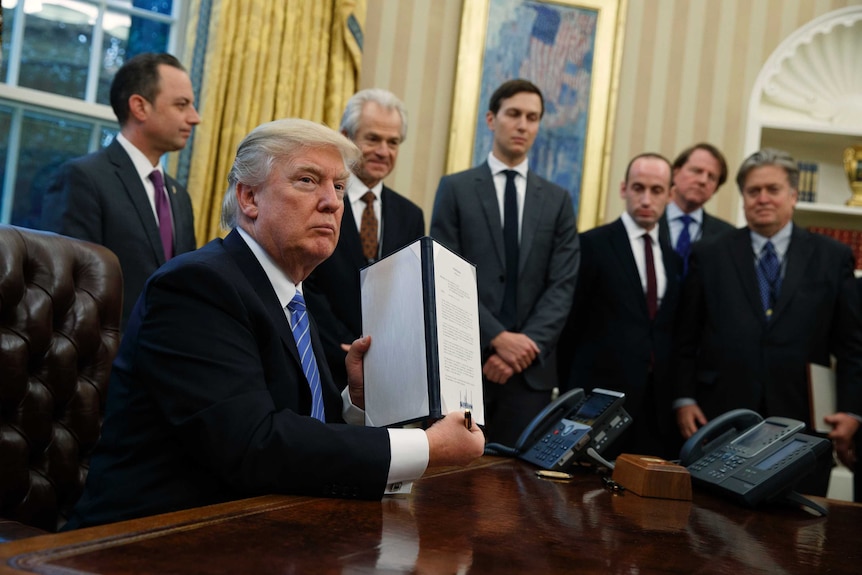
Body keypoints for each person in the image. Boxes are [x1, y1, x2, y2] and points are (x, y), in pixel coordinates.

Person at [63, 118, 484, 529]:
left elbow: (302, 428)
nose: (333, 202)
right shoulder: (197, 285)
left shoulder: (291, 295)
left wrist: (355, 403)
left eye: (339, 186)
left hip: (260, 528)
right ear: (249, 198)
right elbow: (254, 444)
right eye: (307, 180)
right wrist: (427, 446)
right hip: (150, 540)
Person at [673, 148, 862, 495]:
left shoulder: (832, 257)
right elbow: (686, 336)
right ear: (743, 197)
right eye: (753, 191)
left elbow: (851, 346)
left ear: (793, 195)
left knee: (796, 534)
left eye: (772, 190)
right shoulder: (710, 254)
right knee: (711, 528)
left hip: (802, 420)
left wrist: (852, 411)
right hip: (722, 416)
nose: (762, 199)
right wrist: (683, 398)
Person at [430, 79, 579, 447]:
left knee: (520, 491)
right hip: (465, 362)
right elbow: (444, 274)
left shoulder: (558, 200)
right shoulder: (456, 189)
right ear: (492, 119)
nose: (523, 125)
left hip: (530, 374)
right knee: (448, 485)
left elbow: (562, 285)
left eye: (533, 117)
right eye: (514, 114)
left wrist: (519, 349)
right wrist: (496, 337)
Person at [41, 53, 199, 328]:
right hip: (101, 359)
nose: (194, 118)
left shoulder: (179, 196)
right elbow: (68, 286)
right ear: (140, 107)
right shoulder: (83, 178)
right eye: (182, 104)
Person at [557, 153, 681, 458]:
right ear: (624, 189)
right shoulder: (592, 244)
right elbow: (570, 325)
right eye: (638, 188)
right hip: (599, 398)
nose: (646, 199)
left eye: (656, 190)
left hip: (654, 408)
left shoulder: (672, 256)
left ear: (670, 195)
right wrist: (569, 393)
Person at [304, 89, 424, 390]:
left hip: (384, 373)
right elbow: (306, 280)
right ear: (345, 137)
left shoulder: (410, 214)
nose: (384, 151)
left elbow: (408, 295)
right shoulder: (319, 200)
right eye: (373, 139)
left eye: (393, 142)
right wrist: (342, 345)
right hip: (320, 360)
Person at [658, 143, 735, 275]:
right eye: (697, 171)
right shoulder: (649, 222)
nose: (703, 180)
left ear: (716, 188)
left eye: (712, 177)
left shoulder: (727, 236)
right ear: (675, 173)